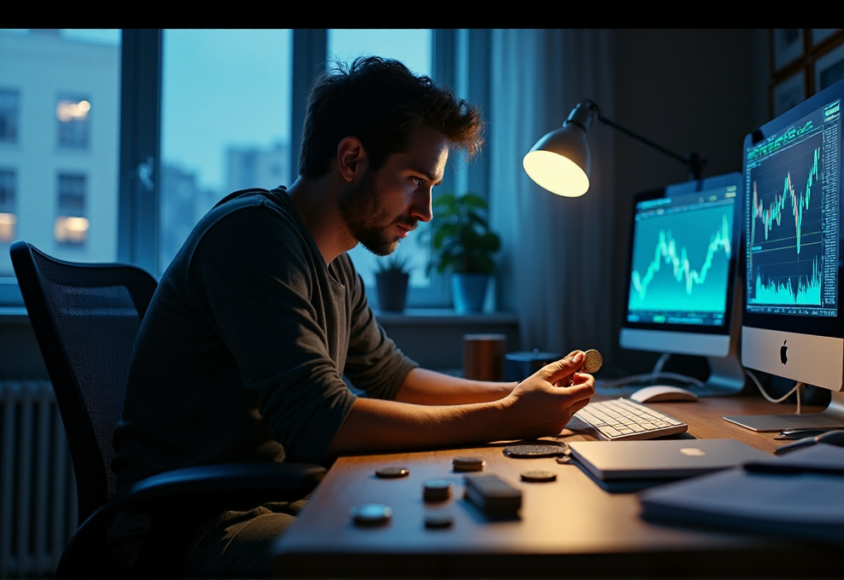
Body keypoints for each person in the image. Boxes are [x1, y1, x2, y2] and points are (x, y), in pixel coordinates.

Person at [107, 56, 595, 577]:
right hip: (195, 529)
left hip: (271, 501)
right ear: (351, 158)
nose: (426, 210)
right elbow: (319, 420)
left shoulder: (334, 267)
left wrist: (521, 392)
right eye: (414, 180)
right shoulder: (252, 237)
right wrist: (507, 417)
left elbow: (394, 378)